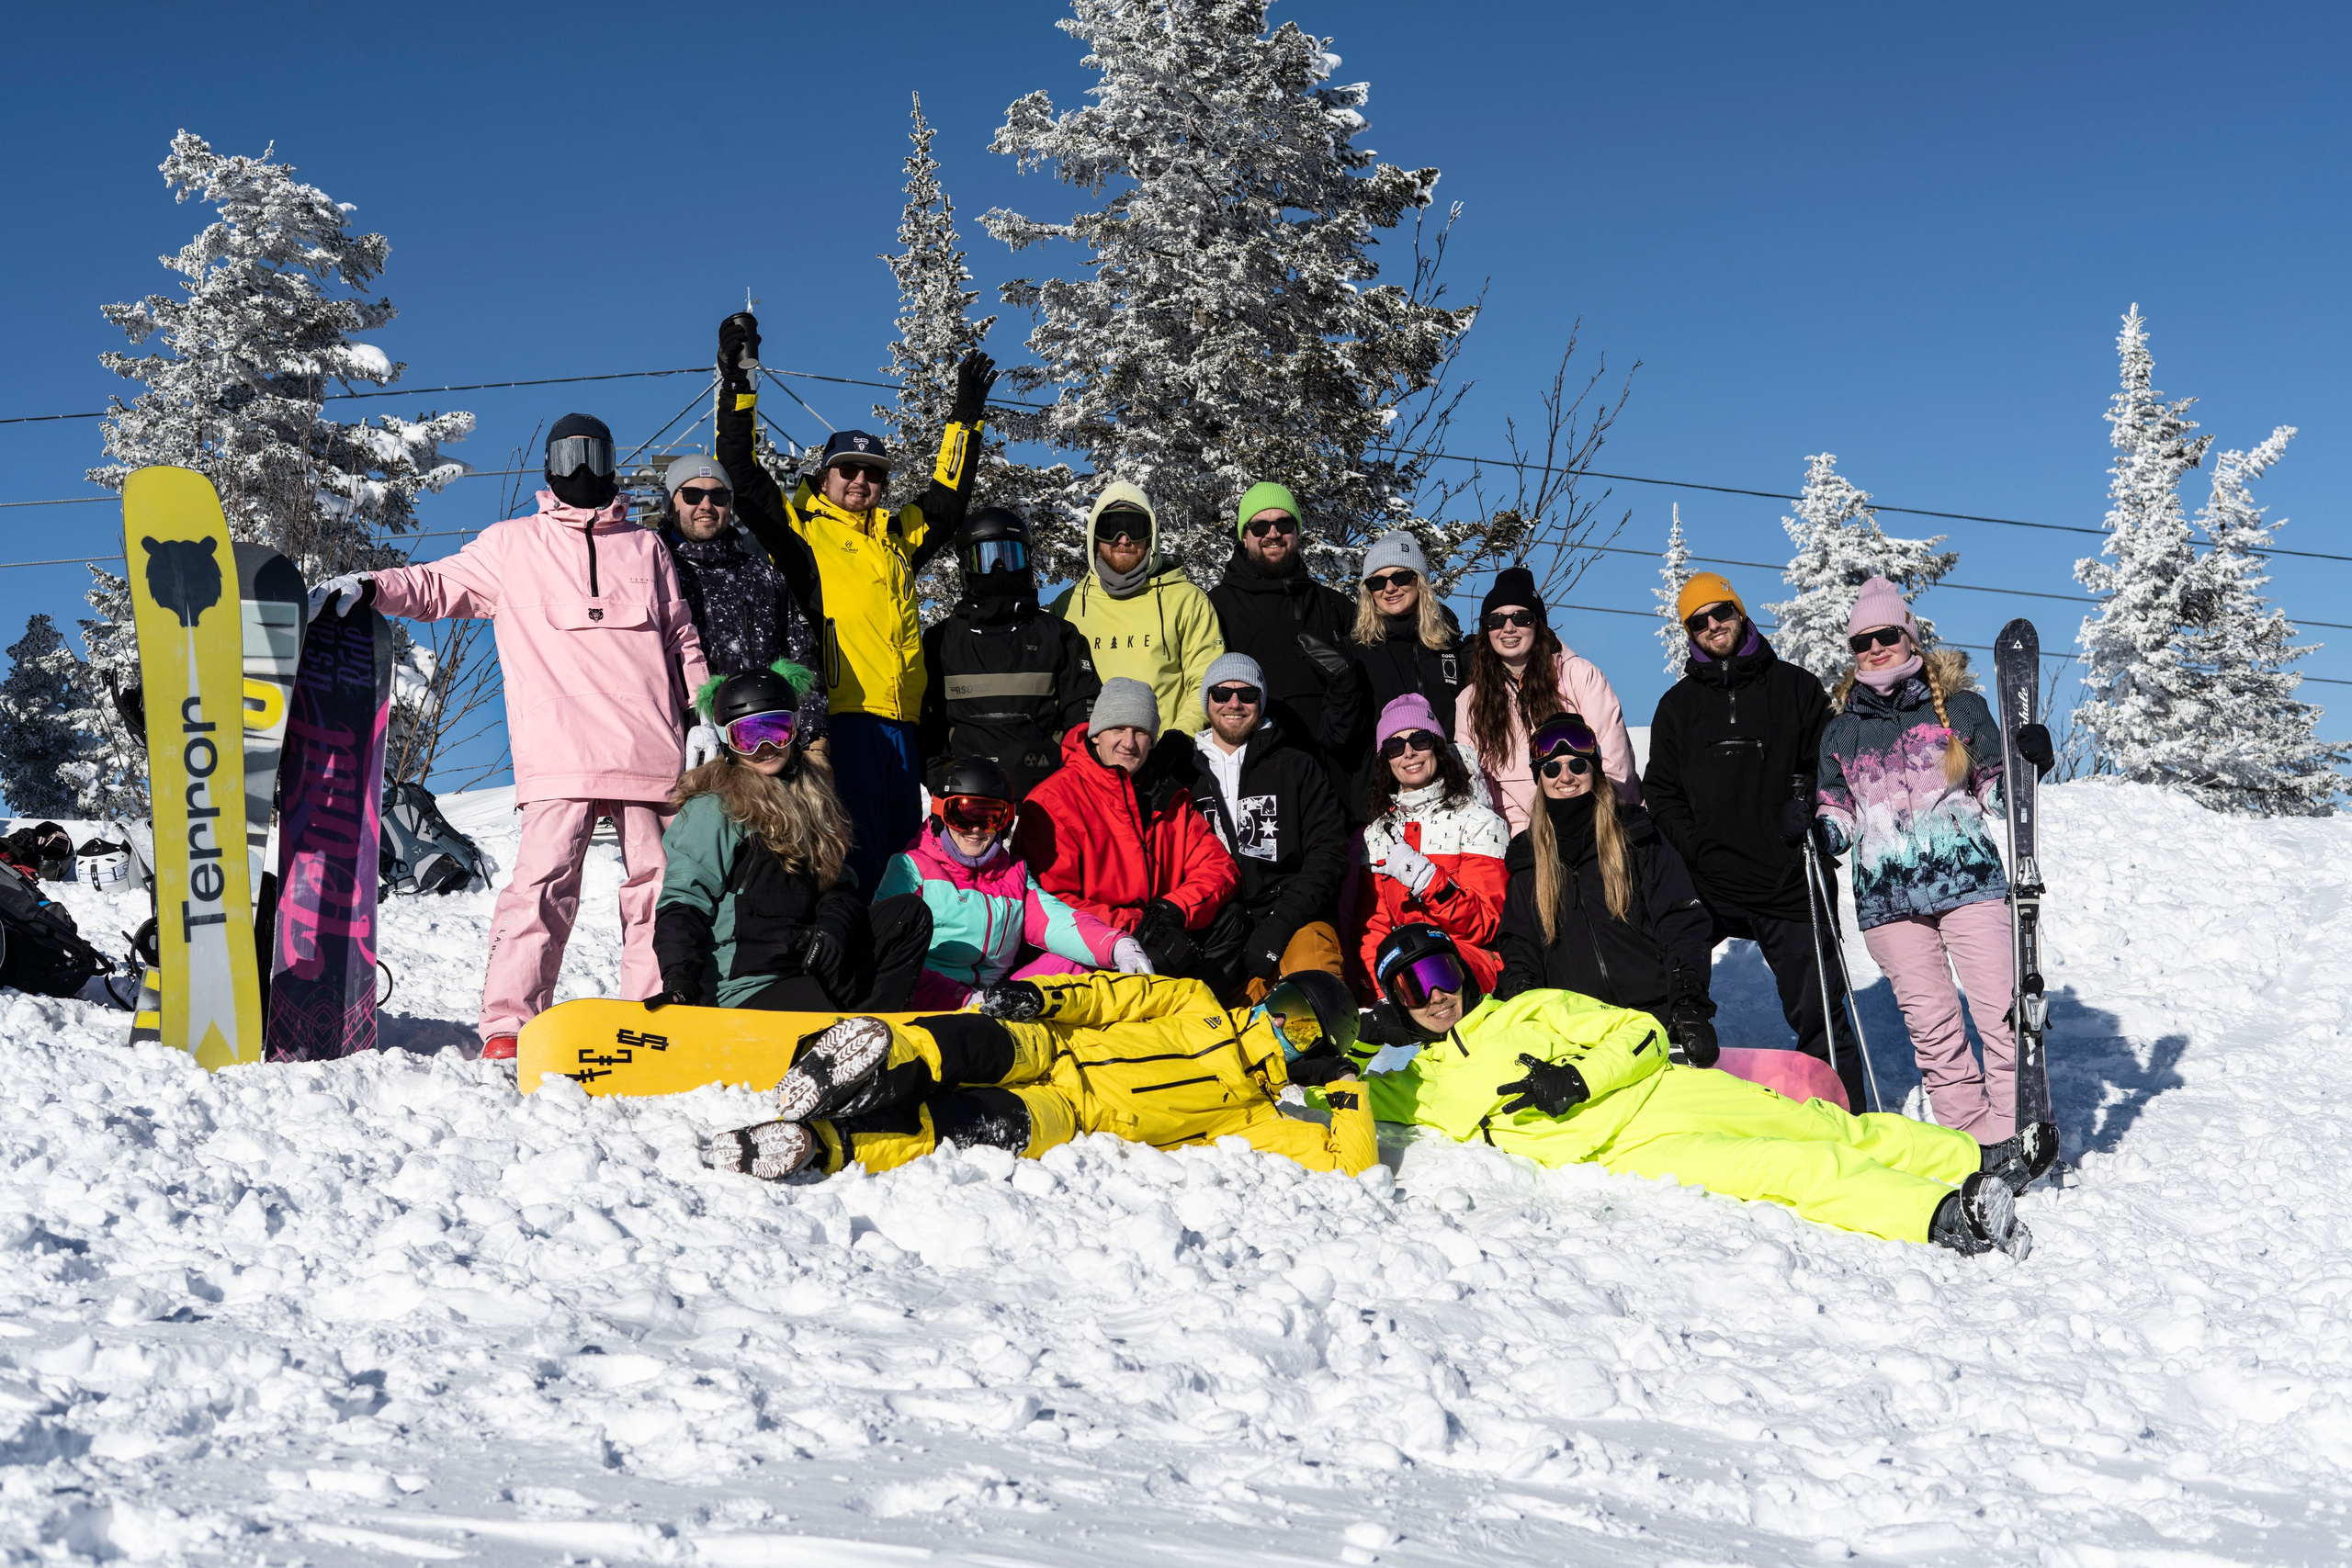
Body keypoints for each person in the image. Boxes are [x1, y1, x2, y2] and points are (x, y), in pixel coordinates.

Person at [306, 414, 711, 1060]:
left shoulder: (645, 547)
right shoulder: (513, 545)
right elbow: (437, 584)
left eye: (594, 453)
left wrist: (704, 712)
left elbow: (681, 637)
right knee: (542, 885)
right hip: (559, 751)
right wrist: (374, 586)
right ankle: (509, 1023)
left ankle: (653, 1013)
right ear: (550, 466)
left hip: (650, 749)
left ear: (610, 460)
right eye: (568, 454)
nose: (582, 466)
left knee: (660, 888)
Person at [1351, 925, 2034, 1256]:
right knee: (1786, 1167)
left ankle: (1979, 1161)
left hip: (1665, 1092)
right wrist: (1364, 1039)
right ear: (1397, 1002)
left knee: (1823, 1125)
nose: (1436, 993)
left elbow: (1641, 1033)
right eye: (1412, 986)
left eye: (1441, 970)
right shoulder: (1420, 1086)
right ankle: (1943, 1214)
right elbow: (1331, 1099)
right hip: (1633, 1149)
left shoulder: (1529, 1009)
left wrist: (1578, 1076)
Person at [713, 311, 994, 897]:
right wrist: (738, 383)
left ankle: (902, 967)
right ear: (826, 475)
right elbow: (740, 470)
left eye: (872, 473)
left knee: (902, 855)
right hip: (845, 717)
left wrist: (964, 422)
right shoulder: (802, 530)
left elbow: (946, 503)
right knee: (856, 855)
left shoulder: (896, 538)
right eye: (848, 470)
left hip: (901, 724)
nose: (860, 481)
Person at [701, 968, 1374, 1183]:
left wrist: (1347, 1084)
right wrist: (1046, 998)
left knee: (955, 1126)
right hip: (1055, 1048)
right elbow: (1114, 995)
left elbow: (1350, 1165)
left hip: (1072, 1117)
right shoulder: (1198, 1000)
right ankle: (869, 1057)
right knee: (963, 1045)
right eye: (1287, 1007)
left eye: (1308, 1032)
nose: (1285, 1025)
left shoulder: (1253, 1114)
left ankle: (826, 1141)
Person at [1817, 579, 2056, 1160]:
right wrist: (1819, 827)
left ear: (1910, 636)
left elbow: (2000, 794)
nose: (1874, 649)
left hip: (1968, 884)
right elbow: (1838, 811)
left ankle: (2020, 1125)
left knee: (2001, 1010)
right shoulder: (1840, 730)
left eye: (1886, 636)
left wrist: (2025, 766)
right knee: (1934, 1031)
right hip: (1888, 903)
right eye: (1862, 641)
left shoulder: (1963, 709)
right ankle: (1971, 1138)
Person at [1643, 571, 1865, 1111]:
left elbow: (1835, 769)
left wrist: (1807, 812)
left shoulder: (1797, 688)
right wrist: (1695, 850)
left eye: (1722, 613)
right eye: (1699, 621)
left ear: (1740, 613)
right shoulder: (1677, 707)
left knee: (1819, 1009)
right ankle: (1664, 1102)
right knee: (1662, 985)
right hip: (1707, 880)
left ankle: (1844, 1114)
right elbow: (1662, 791)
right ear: (1688, 633)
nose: (1713, 625)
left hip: (1789, 876)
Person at [649, 663, 931, 1013]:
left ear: (795, 728)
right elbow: (684, 901)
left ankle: (870, 1031)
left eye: (777, 730)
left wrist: (832, 924)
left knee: (908, 915)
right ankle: (842, 1035)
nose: (765, 746)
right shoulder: (716, 807)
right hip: (746, 987)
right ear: (726, 739)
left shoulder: (811, 797)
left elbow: (838, 885)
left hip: (806, 965)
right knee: (819, 1011)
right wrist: (680, 980)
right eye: (748, 736)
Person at [1497, 715, 1718, 1066]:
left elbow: (1680, 922)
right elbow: (1520, 949)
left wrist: (1688, 1002)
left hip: (1654, 1026)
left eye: (1578, 765)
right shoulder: (1528, 860)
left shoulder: (1637, 836)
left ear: (1595, 768)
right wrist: (1527, 1009)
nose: (1565, 777)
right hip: (1576, 1039)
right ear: (1539, 777)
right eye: (1551, 769)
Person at [1013, 678, 1240, 987]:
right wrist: (1138, 926)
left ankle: (1194, 1011)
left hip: (1163, 926)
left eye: (1141, 732)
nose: (1129, 743)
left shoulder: (1169, 796)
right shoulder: (1053, 801)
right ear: (1096, 735)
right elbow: (1051, 900)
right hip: (1098, 941)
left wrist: (1173, 909)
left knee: (1234, 921)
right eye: (1117, 729)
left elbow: (1218, 867)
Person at [874, 756, 1149, 1010]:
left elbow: (1057, 921)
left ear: (1004, 822)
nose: (976, 829)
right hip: (930, 1000)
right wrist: (966, 999)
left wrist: (1117, 945)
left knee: (1077, 967)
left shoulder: (1012, 874)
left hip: (997, 996)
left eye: (990, 817)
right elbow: (886, 954)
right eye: (962, 815)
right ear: (940, 815)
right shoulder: (911, 868)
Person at [1186, 652, 1350, 1002]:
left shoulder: (1295, 766)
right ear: (1206, 700)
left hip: (1295, 916)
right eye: (1221, 694)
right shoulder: (1185, 776)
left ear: (1261, 699)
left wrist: (1279, 924)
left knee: (1315, 996)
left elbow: (1329, 852)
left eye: (1247, 694)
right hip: (1220, 930)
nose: (1234, 703)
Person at [916, 506, 1099, 800]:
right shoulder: (942, 642)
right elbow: (927, 729)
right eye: (986, 558)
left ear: (1025, 562)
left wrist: (1069, 786)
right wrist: (941, 780)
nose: (999, 568)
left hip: (1048, 800)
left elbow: (1084, 721)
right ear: (966, 565)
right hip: (967, 802)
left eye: (1009, 556)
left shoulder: (1058, 636)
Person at [656, 452, 829, 752]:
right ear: (671, 504)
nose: (706, 505)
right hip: (694, 749)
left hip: (770, 743)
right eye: (693, 495)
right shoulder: (655, 572)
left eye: (719, 496)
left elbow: (801, 657)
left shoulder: (761, 574)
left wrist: (814, 739)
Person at [1458, 565, 1639, 832]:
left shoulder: (1579, 676)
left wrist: (1585, 825)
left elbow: (1615, 765)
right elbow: (1480, 783)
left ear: (1538, 624)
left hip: (1598, 827)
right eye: (1496, 620)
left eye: (1521, 617)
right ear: (1485, 630)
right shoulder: (1471, 701)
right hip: (1522, 840)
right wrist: (1526, 837)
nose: (1508, 628)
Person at [1353, 694, 1510, 996]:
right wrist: (1380, 994)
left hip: (1469, 969)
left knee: (1424, 966)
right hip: (1406, 977)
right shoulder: (1376, 834)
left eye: (1420, 740)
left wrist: (1428, 881)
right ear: (1386, 760)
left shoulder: (1480, 822)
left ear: (1437, 745)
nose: (1409, 753)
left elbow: (1487, 925)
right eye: (1395, 747)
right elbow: (1373, 927)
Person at [1205, 481, 1360, 786]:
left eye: (1283, 523)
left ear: (1297, 531)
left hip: (1330, 780)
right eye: (1260, 526)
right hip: (1248, 782)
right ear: (1245, 535)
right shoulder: (1215, 608)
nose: (1273, 533)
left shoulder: (1333, 606)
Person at [1053, 482, 1226, 737]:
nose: (1123, 540)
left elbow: (1206, 681)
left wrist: (1178, 741)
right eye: (1110, 528)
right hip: (1088, 765)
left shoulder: (1186, 600)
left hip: (1165, 760)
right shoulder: (1069, 605)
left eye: (1135, 528)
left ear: (1151, 533)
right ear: (1094, 535)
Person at [1338, 530, 1467, 817]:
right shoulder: (1355, 652)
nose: (1390, 588)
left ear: (1419, 581)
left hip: (1450, 798)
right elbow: (1339, 736)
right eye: (1377, 581)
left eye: (1400, 577)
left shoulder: (1450, 648)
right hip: (1382, 803)